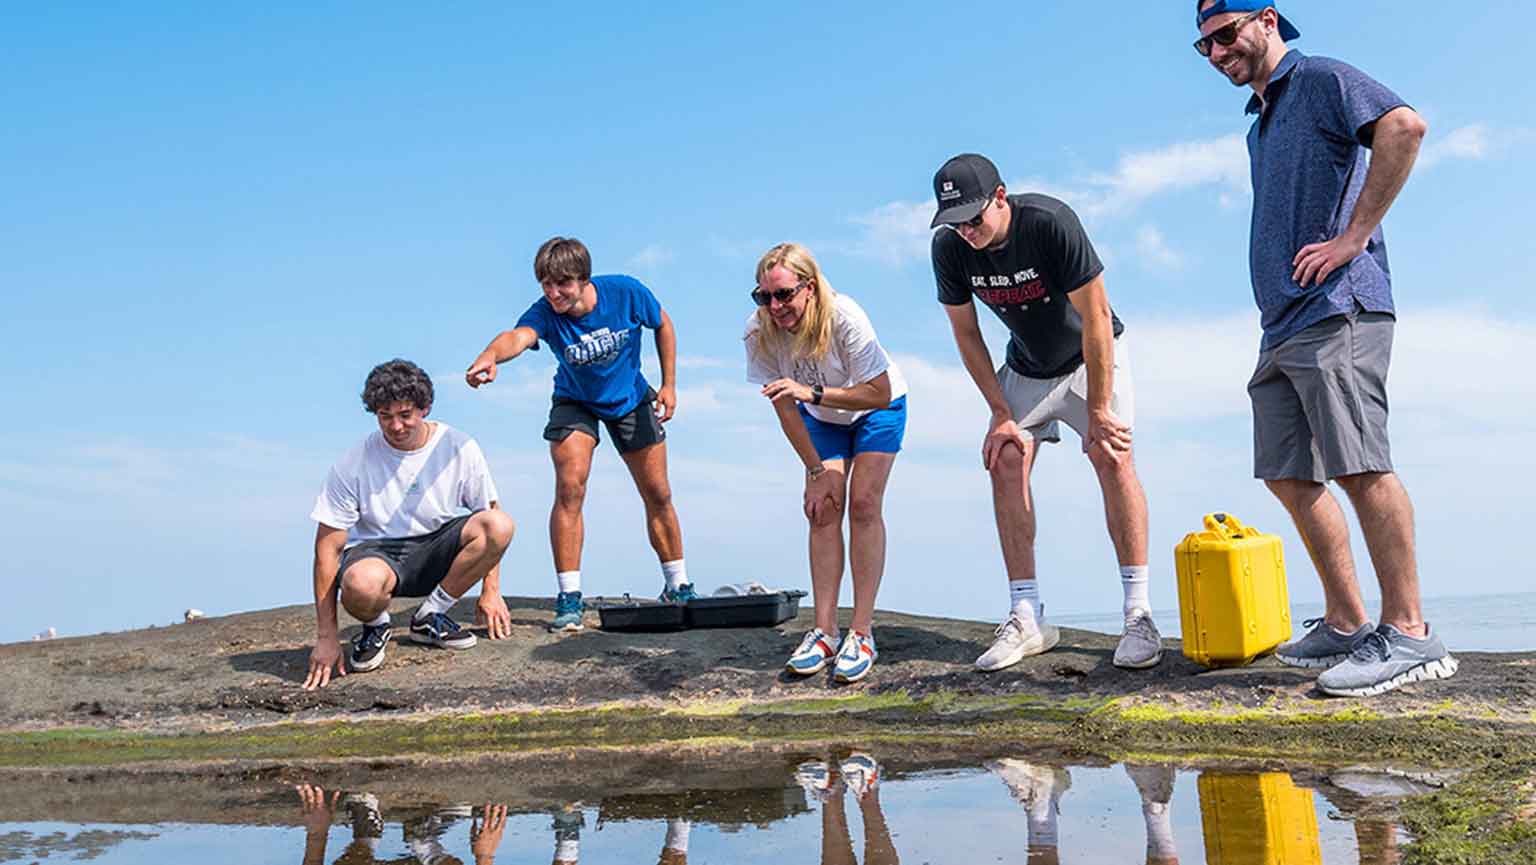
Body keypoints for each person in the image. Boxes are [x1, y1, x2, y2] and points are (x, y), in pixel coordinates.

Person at [1194, 1, 1456, 696]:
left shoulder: (1319, 81)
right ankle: (1346, 621)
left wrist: (1351, 239)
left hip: (1339, 309)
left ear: (1269, 20)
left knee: (1360, 462)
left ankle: (1409, 632)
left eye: (1226, 36)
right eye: (1206, 48)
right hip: (1283, 322)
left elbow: (1404, 127)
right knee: (1287, 471)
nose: (1218, 54)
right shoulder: (1261, 122)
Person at [928, 153, 1163, 673]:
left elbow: (1097, 316)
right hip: (1027, 369)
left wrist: (1100, 409)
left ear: (1000, 197)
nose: (966, 230)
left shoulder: (1050, 222)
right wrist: (997, 411)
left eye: (974, 217)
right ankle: (1026, 613)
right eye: (955, 221)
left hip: (1091, 356)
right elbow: (966, 334)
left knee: (1112, 453)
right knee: (1005, 456)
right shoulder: (949, 248)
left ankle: (1138, 614)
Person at [467, 237, 696, 631]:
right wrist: (489, 356)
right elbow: (518, 337)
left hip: (629, 397)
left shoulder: (625, 291)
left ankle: (678, 585)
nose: (554, 293)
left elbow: (663, 324)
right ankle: (569, 598)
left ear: (583, 280)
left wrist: (670, 384)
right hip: (576, 401)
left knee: (658, 491)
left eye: (562, 284)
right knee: (570, 488)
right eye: (546, 285)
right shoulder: (545, 313)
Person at [744, 243, 908, 683]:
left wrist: (812, 393)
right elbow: (783, 406)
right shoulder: (759, 332)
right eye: (765, 297)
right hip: (818, 418)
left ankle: (862, 631)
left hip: (877, 408)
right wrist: (816, 473)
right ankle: (823, 632)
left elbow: (879, 392)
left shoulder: (845, 318)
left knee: (864, 504)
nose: (775, 306)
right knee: (823, 509)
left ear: (809, 288)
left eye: (784, 295)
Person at [305, 360, 515, 691]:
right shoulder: (353, 461)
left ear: (425, 408)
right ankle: (376, 625)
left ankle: (430, 615)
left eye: (405, 415)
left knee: (499, 524)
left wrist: (491, 591)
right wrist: (326, 637)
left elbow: (487, 511)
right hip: (378, 554)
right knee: (360, 582)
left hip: (437, 548)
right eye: (385, 416)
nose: (396, 426)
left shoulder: (459, 446)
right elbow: (327, 548)